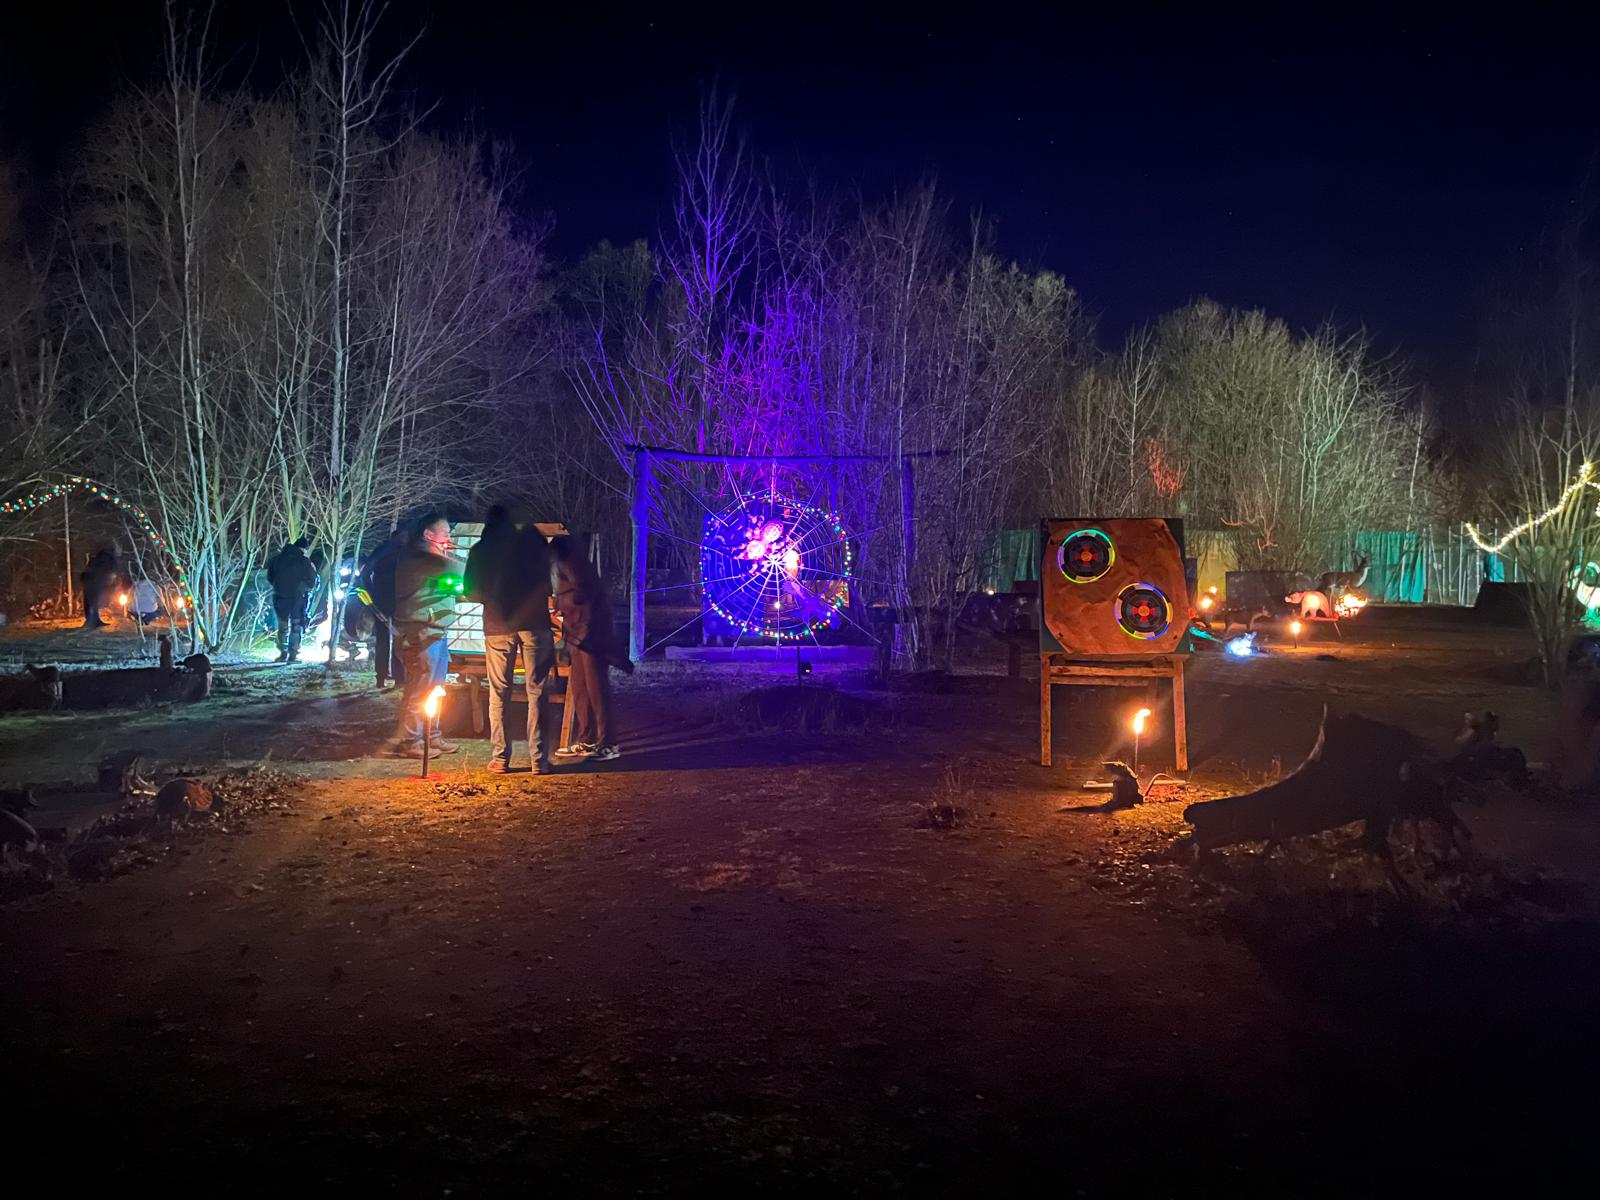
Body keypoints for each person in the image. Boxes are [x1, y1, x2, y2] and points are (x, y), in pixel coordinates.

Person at [465, 506, 556, 774]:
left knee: (499, 691)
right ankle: (539, 760)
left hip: (497, 626)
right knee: (537, 691)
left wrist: (492, 597)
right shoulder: (530, 546)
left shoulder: (481, 550)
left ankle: (501, 758)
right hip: (535, 623)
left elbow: (470, 591)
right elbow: (549, 584)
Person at [386, 514, 462, 758]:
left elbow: (448, 585)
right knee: (420, 689)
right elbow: (459, 569)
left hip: (436, 631)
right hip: (420, 633)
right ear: (428, 535)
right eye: (445, 533)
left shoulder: (432, 557)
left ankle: (431, 735)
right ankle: (411, 741)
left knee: (435, 688)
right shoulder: (421, 557)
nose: (449, 537)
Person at [551, 534, 619, 761]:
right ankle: (586, 738)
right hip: (576, 630)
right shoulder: (563, 564)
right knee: (579, 685)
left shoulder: (570, 563)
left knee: (595, 686)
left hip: (589, 630)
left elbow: (583, 591)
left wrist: (568, 604)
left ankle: (607, 742)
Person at [359, 529, 408, 689]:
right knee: (399, 638)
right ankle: (398, 677)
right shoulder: (406, 552)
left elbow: (364, 574)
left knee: (383, 638)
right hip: (400, 601)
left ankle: (381, 676)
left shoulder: (381, 551)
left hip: (381, 600)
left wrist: (372, 593)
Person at [264, 536, 319, 663]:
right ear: (303, 549)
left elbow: (270, 577)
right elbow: (312, 581)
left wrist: (279, 587)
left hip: (280, 596)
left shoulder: (277, 559)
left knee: (282, 624)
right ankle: (293, 654)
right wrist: (304, 588)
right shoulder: (304, 561)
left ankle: (282, 652)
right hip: (297, 597)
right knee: (296, 625)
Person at [80, 544, 122, 629]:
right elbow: (112, 570)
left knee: (89, 599)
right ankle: (92, 621)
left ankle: (92, 620)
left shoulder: (100, 556)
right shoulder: (110, 558)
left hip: (88, 578)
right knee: (93, 600)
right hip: (95, 578)